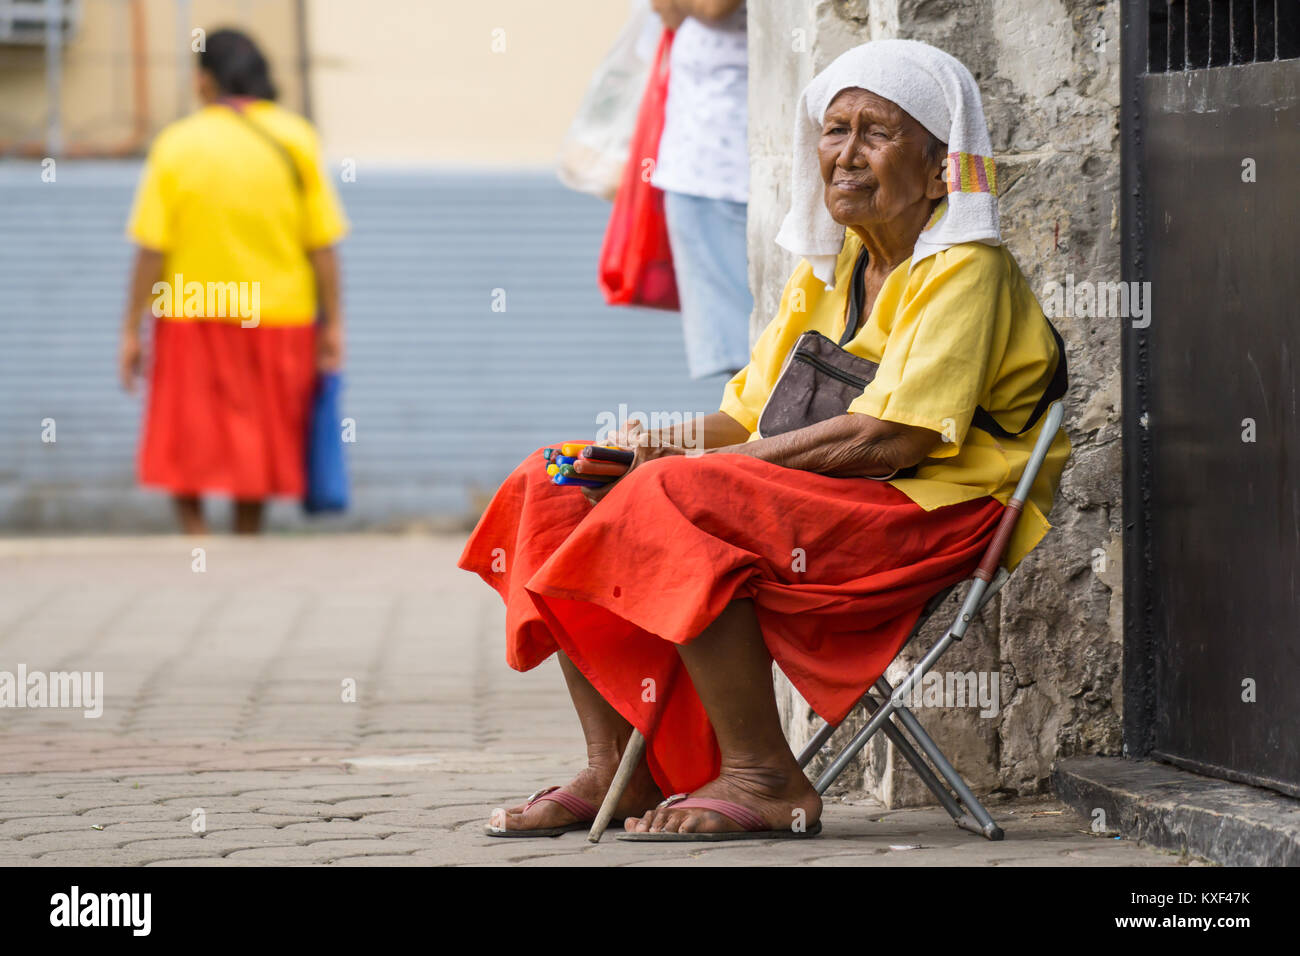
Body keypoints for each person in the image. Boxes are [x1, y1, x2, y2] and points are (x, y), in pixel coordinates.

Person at [460, 39, 1071, 841]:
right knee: (561, 480)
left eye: (876, 134)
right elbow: (746, 416)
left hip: (926, 512)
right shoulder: (829, 266)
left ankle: (765, 775)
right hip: (818, 497)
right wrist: (654, 439)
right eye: (835, 130)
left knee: (675, 494)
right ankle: (622, 765)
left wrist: (695, 468)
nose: (845, 155)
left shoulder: (966, 268)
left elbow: (893, 441)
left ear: (937, 170)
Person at [118, 28, 348, 534]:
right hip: (278, 317)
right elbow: (323, 247)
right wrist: (334, 325)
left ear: (204, 81)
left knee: (186, 434)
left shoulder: (178, 144)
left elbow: (151, 250)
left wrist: (130, 329)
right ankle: (246, 540)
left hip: (191, 311)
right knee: (258, 438)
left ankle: (195, 538)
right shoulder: (297, 138)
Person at [649, 0, 752, 379]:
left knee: (746, 346)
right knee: (736, 348)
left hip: (724, 169)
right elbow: (670, 12)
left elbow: (713, 8)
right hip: (704, 163)